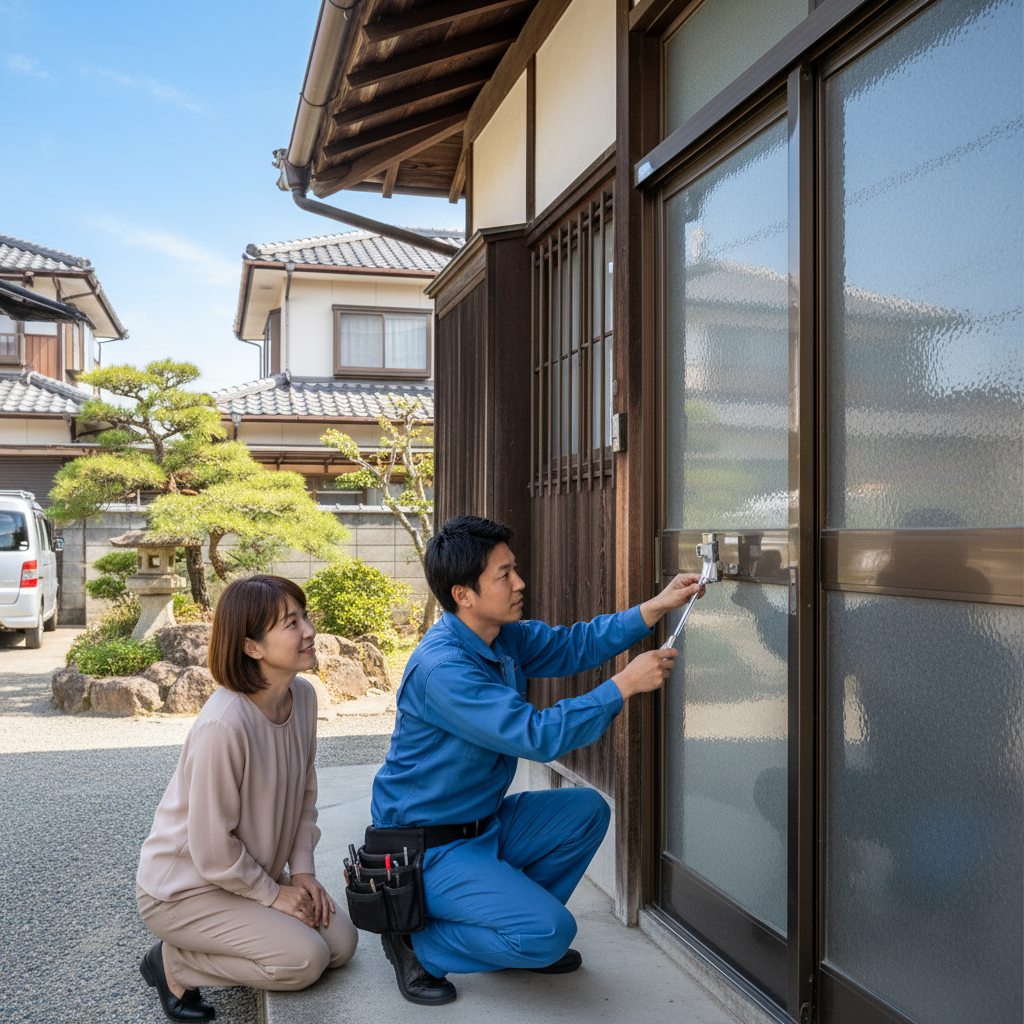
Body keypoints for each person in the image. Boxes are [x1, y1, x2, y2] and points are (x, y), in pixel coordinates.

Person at [370, 515, 704, 1005]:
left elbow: (575, 645)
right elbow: (536, 735)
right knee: (551, 933)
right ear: (463, 594)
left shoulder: (500, 636)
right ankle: (418, 942)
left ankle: (514, 936)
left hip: (481, 826)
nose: (519, 583)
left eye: (514, 569)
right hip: (428, 849)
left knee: (586, 811)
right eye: (503, 575)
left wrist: (657, 607)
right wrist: (624, 685)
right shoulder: (443, 670)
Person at [136, 575, 357, 1022]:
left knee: (341, 945)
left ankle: (216, 941)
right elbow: (212, 848)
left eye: (305, 616)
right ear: (252, 647)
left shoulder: (303, 698)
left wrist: (303, 873)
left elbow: (304, 795)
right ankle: (174, 963)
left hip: (245, 877)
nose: (309, 630)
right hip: (185, 889)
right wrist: (273, 894)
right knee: (303, 961)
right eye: (290, 623)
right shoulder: (225, 725)